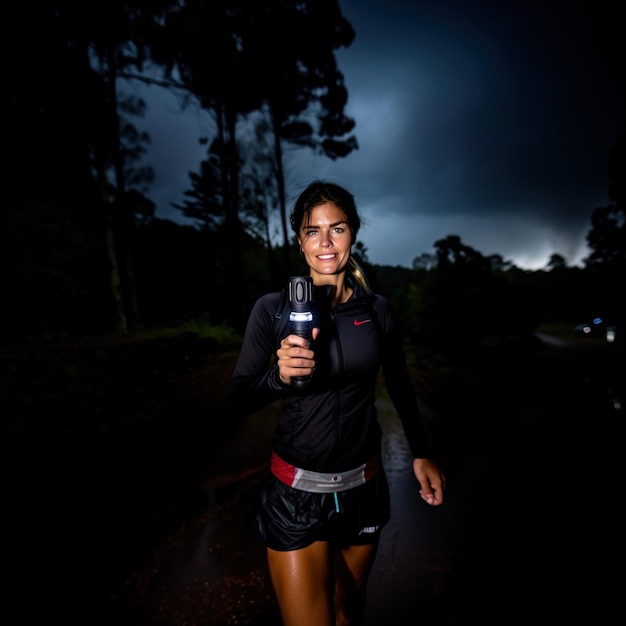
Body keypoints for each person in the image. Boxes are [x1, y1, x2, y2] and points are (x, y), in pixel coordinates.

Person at [230, 180, 445, 626]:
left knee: (350, 610)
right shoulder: (271, 310)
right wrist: (279, 376)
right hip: (295, 494)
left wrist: (421, 450)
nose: (325, 242)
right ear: (299, 240)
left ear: (354, 233)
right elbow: (241, 395)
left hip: (363, 488)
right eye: (313, 231)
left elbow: (400, 382)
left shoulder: (378, 310)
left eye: (337, 228)